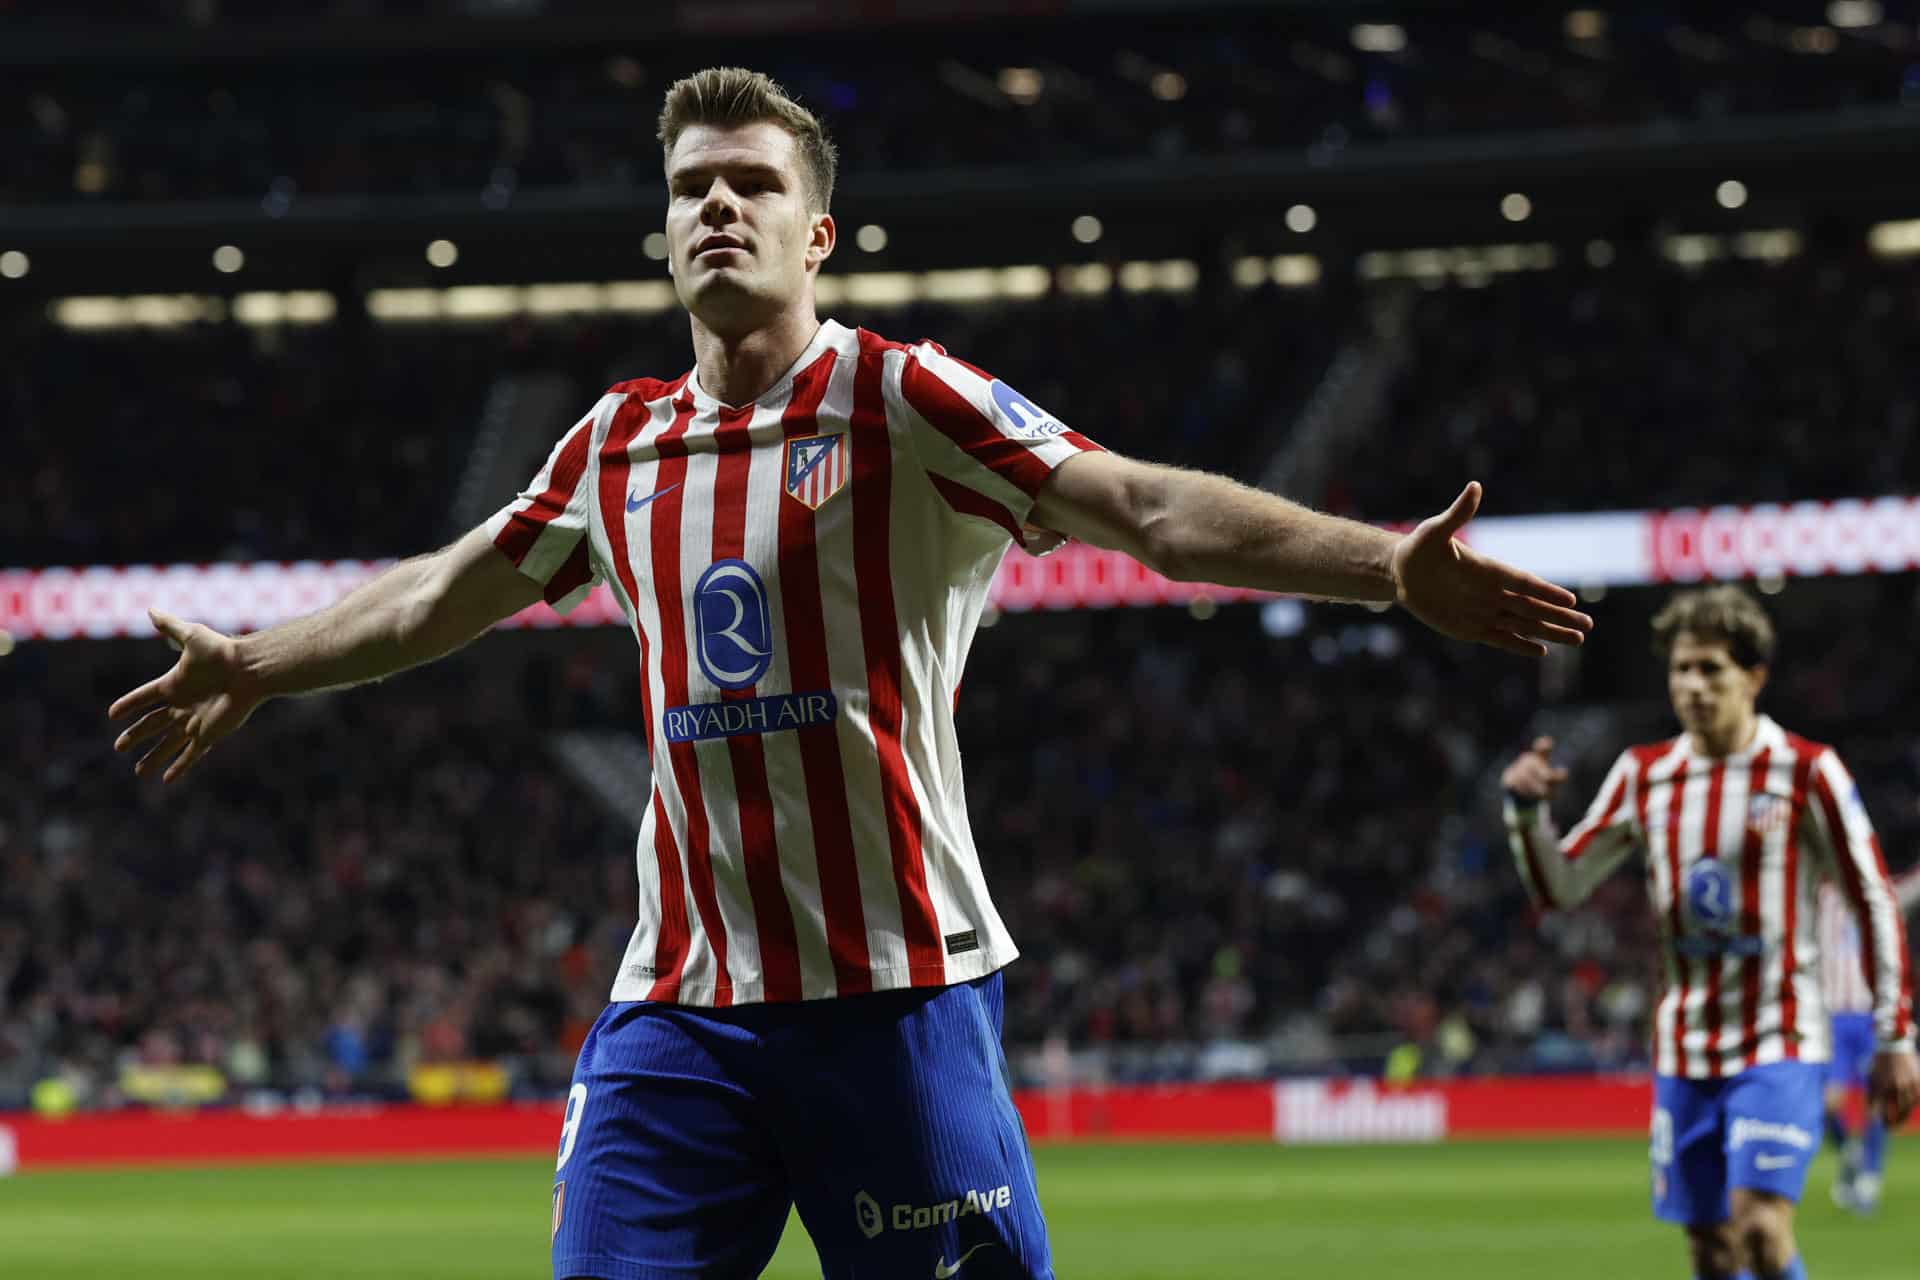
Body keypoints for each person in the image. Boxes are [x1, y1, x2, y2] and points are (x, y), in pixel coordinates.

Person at [112, 67, 1592, 1280]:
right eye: (692, 187)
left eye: (755, 185)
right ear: (662, 233)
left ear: (819, 236)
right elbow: (443, 594)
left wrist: (1388, 565)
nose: (719, 208)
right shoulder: (613, 447)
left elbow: (1146, 509)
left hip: (900, 1002)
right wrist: (254, 663)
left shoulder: (908, 399)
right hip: (680, 1011)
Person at [1502, 585, 1917, 1280]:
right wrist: (1523, 816)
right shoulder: (1644, 775)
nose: (1693, 686)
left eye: (1712, 669)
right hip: (1684, 1047)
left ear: (1754, 676)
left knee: (1758, 1225)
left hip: (1780, 1039)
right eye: (1681, 669)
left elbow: (1872, 898)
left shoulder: (1808, 771)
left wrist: (1895, 1035)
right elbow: (1562, 884)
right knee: (1713, 1250)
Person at [1817, 864, 1920, 1215]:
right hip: (1832, 1016)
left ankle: (1869, 1179)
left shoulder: (1879, 893)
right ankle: (1850, 1150)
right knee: (1827, 1103)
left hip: (1870, 1015)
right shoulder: (1817, 898)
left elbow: (1909, 889)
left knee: (1880, 1099)